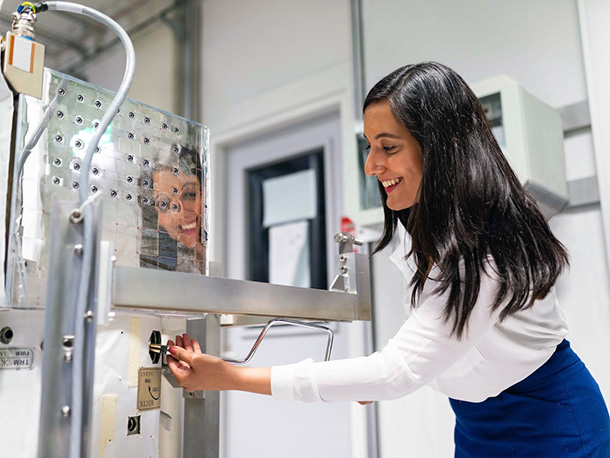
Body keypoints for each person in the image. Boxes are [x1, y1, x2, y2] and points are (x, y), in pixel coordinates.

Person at [167, 62, 610, 456]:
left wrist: (227, 376)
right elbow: (429, 341)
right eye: (368, 146)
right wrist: (367, 379)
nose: (371, 166)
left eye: (388, 147)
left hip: (553, 424)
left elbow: (398, 369)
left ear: (440, 147)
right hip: (478, 425)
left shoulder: (486, 242)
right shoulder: (419, 228)